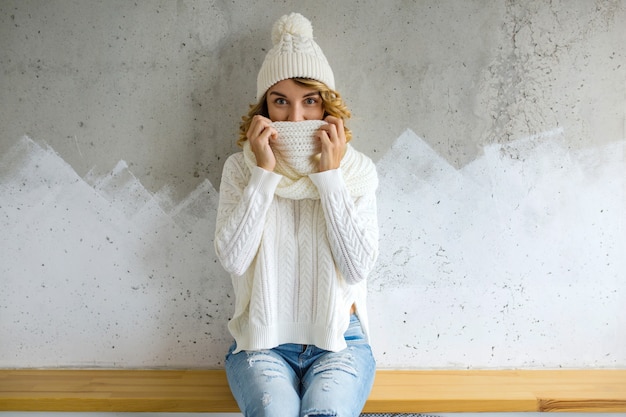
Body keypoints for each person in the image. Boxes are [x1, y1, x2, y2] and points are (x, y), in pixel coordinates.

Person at [214, 12, 379, 417]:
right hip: (259, 342)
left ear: (327, 105)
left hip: (340, 340)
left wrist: (330, 179)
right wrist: (263, 175)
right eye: (280, 102)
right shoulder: (241, 169)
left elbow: (357, 267)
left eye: (310, 101)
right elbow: (233, 258)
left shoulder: (356, 172)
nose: (295, 118)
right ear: (264, 109)